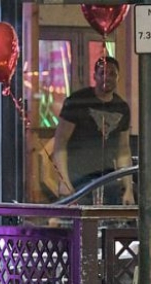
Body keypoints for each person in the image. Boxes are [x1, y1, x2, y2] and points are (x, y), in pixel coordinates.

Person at [52, 56, 134, 205]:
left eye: (112, 74)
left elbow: (123, 150)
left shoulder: (122, 107)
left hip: (108, 178)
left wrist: (128, 187)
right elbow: (60, 144)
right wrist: (63, 181)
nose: (106, 77)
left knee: (109, 224)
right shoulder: (77, 101)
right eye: (102, 73)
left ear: (118, 78)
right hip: (77, 178)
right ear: (94, 76)